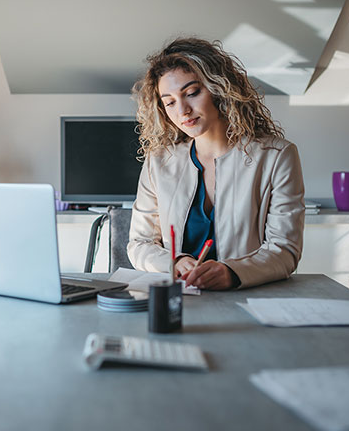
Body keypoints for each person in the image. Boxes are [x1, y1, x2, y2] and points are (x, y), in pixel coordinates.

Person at [127, 37, 305, 290]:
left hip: (247, 299)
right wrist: (174, 261)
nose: (183, 111)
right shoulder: (158, 162)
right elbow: (139, 244)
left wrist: (232, 272)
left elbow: (285, 251)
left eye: (192, 93)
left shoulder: (277, 156)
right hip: (179, 297)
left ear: (219, 89)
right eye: (170, 102)